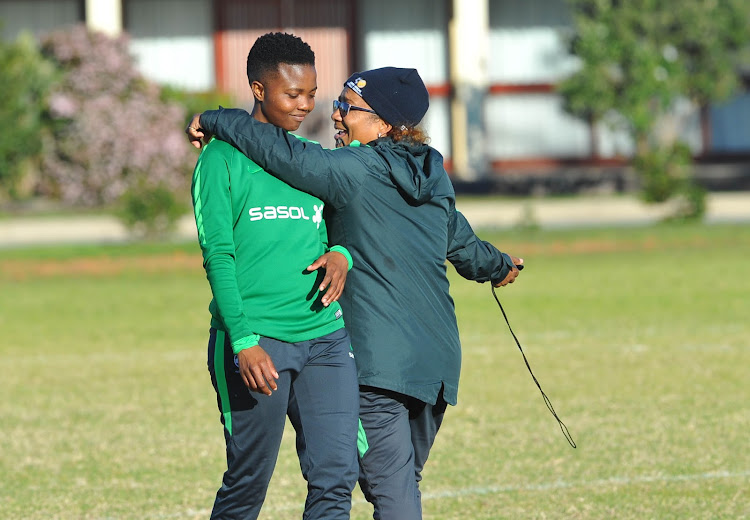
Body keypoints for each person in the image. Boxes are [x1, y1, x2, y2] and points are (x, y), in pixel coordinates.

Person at [187, 66, 522, 520]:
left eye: (348, 107)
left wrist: (215, 118)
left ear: (384, 125)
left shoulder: (353, 168)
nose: (336, 115)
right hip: (436, 366)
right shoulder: (434, 174)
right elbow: (463, 245)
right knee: (393, 483)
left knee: (391, 492)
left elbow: (280, 152)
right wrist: (500, 266)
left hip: (374, 366)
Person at [190, 32, 359, 520]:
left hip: (325, 337)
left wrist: (342, 253)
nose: (306, 105)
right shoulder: (220, 159)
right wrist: (243, 341)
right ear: (259, 90)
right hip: (256, 342)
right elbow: (218, 256)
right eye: (292, 94)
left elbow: (342, 223)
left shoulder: (310, 158)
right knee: (248, 486)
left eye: (311, 93)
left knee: (335, 476)